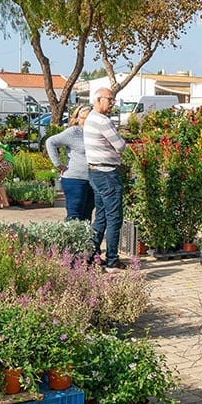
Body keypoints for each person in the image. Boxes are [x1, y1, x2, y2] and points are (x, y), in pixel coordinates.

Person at [85, 87, 128, 272]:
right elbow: (120, 145)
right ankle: (112, 259)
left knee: (101, 216)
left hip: (95, 172)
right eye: (109, 99)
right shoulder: (102, 121)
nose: (112, 103)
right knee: (114, 217)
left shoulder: (90, 118)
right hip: (107, 173)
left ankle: (92, 256)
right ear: (98, 99)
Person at [45, 105, 95, 221]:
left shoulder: (95, 133)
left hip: (93, 180)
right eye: (84, 118)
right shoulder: (73, 132)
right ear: (77, 118)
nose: (86, 121)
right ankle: (71, 239)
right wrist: (58, 164)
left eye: (90, 118)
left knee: (87, 216)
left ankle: (84, 239)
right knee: (74, 216)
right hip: (75, 180)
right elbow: (50, 142)